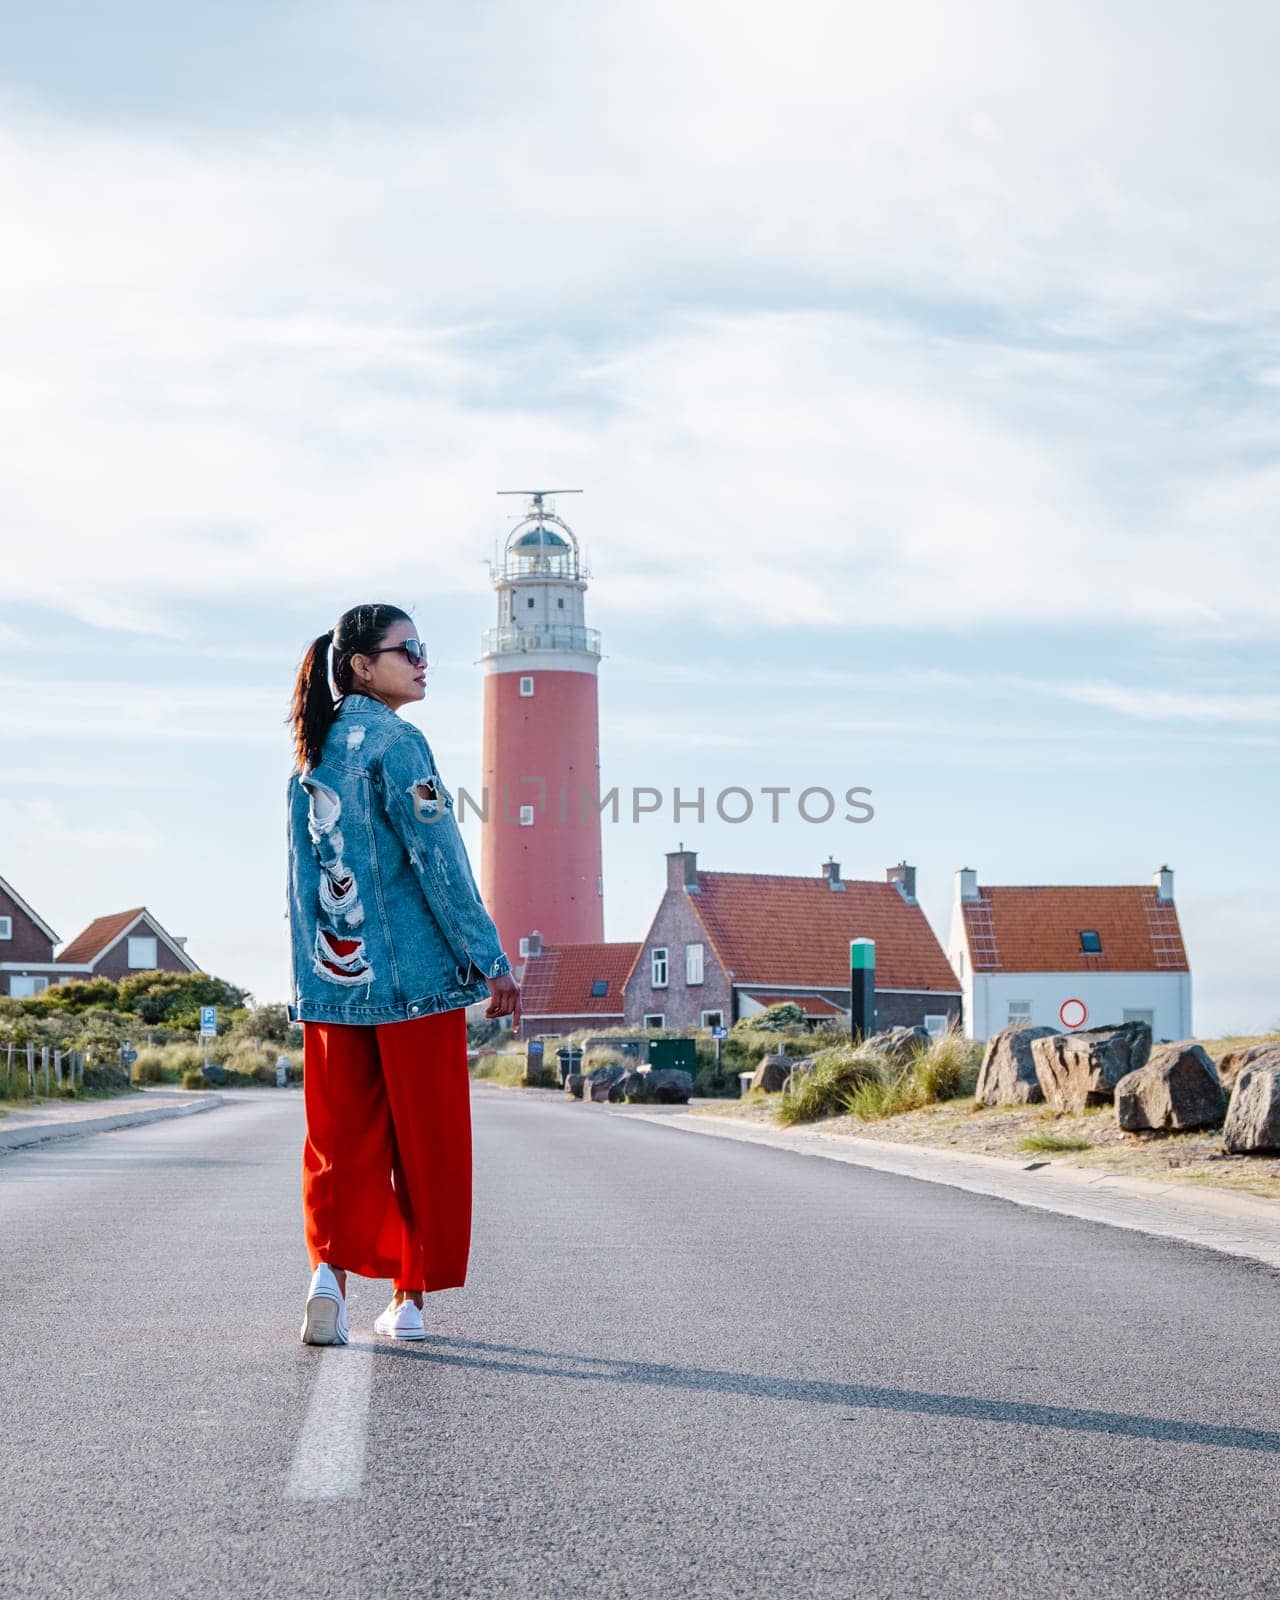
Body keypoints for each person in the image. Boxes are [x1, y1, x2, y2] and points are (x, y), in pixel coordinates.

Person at [285, 602, 519, 1345]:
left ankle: (329, 1276)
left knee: (336, 1143)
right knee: (427, 1143)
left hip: (332, 987)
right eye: (407, 648)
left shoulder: (312, 757)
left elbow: (301, 887)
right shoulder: (399, 744)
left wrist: (309, 988)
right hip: (415, 987)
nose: (423, 660)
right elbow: (441, 861)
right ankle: (410, 1300)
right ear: (360, 665)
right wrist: (490, 960)